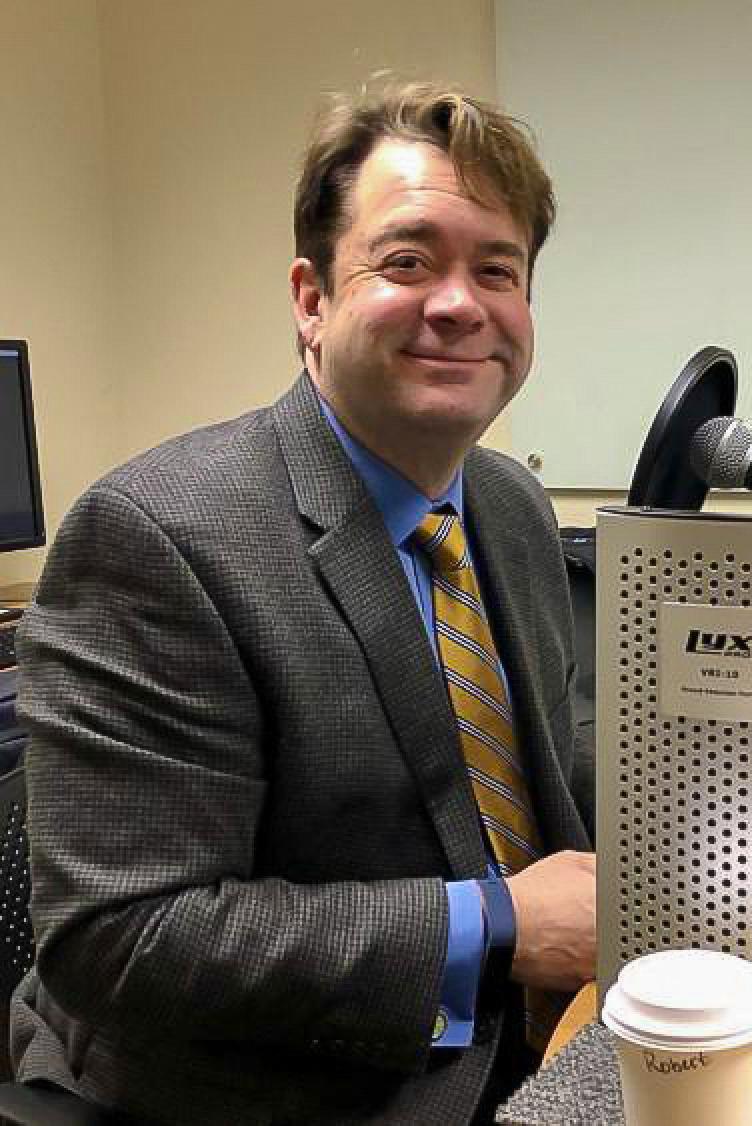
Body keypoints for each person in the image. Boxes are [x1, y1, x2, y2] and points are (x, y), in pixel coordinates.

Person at [11, 81, 596, 1124]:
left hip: (538, 1035)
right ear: (311, 299)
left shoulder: (509, 505)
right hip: (287, 1087)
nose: (459, 304)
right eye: (407, 261)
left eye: (496, 270)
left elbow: (532, 765)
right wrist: (500, 924)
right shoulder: (158, 537)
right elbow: (121, 938)